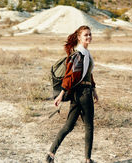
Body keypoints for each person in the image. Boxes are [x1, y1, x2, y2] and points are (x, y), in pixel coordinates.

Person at [46, 25, 99, 163]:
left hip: (80, 93)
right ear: (79, 37)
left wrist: (94, 90)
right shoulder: (80, 54)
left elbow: (88, 74)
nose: (89, 37)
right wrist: (61, 94)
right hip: (83, 94)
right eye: (85, 35)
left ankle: (50, 154)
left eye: (90, 34)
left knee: (68, 126)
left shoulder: (84, 53)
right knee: (89, 126)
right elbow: (70, 76)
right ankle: (87, 160)